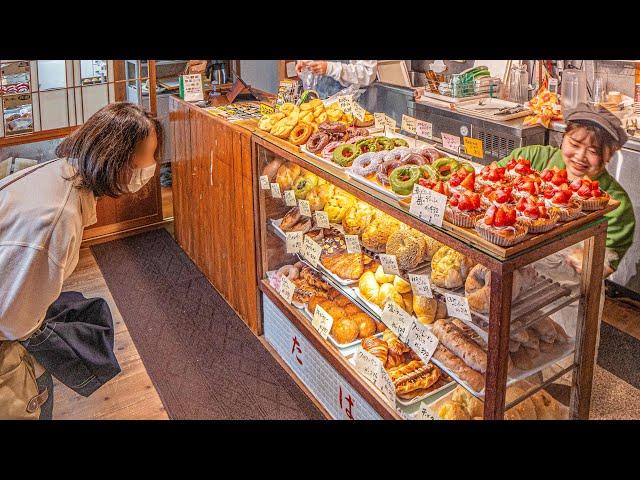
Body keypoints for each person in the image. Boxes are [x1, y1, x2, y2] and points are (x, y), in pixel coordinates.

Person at [0, 102, 161, 418]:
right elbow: (13, 321)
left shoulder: (60, 172)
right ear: (120, 160)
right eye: (149, 154)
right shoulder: (59, 219)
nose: (152, 164)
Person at [499, 103, 634, 337]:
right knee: (514, 353)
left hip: (568, 299)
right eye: (574, 144)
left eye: (593, 151)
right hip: (517, 286)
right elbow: (490, 185)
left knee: (562, 359)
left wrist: (579, 258)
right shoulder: (533, 160)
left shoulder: (615, 203)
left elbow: (604, 264)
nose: (580, 156)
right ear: (563, 137)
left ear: (608, 154)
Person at [295, 60, 378, 99]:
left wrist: (331, 68)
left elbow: (368, 73)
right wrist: (305, 66)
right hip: (318, 107)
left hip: (350, 107)